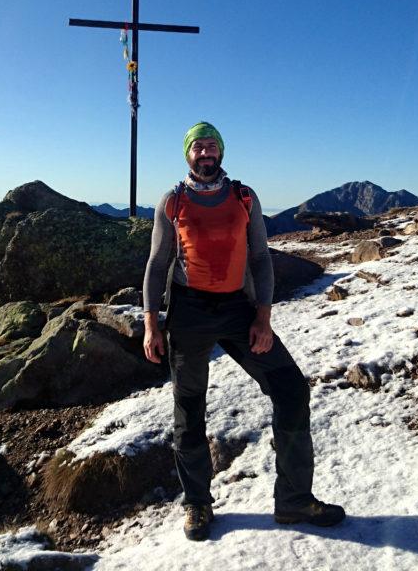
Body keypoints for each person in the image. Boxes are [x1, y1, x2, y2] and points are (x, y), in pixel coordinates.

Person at [142, 121, 346, 541]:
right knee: (189, 407)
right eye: (198, 147)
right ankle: (197, 504)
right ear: (187, 155)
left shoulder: (243, 197)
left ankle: (293, 500)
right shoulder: (173, 200)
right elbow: (157, 264)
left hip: (239, 308)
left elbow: (260, 259)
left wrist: (263, 318)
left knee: (290, 387)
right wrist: (151, 324)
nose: (205, 153)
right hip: (189, 312)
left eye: (211, 146)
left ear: (222, 152)